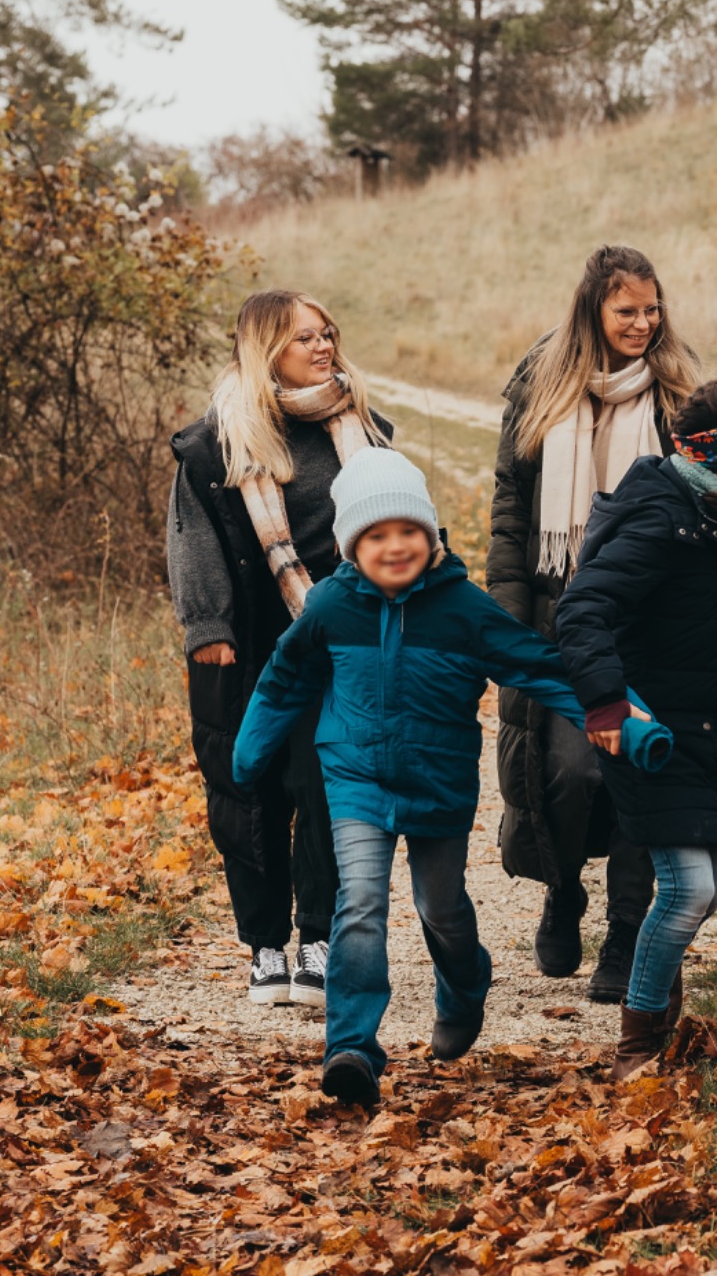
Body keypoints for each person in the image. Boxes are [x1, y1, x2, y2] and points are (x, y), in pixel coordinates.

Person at [231, 448, 595, 1107]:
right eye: (376, 535)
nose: (395, 546)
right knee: (360, 906)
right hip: (356, 778)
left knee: (442, 909)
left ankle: (464, 985)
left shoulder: (463, 608)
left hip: (438, 780)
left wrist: (615, 715)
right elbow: (286, 678)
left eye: (408, 530)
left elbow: (538, 666)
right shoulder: (330, 605)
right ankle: (351, 1046)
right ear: (351, 545)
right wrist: (251, 750)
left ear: (430, 534)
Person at [555, 380, 717, 1080]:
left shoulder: (705, 514)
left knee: (707, 889)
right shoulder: (664, 519)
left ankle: (661, 1016)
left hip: (701, 724)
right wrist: (605, 703)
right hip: (651, 728)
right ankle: (639, 1043)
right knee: (687, 890)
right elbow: (581, 609)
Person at [167, 290, 393, 1008]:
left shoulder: (362, 428)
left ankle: (319, 937)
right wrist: (208, 626)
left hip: (340, 637)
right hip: (251, 638)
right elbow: (191, 537)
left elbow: (401, 520)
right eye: (305, 338)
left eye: (327, 333)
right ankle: (264, 943)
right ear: (267, 351)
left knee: (326, 784)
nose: (324, 347)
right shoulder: (216, 444)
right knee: (248, 788)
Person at [487, 246, 701, 1004]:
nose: (643, 323)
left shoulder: (678, 393)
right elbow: (511, 511)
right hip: (559, 618)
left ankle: (626, 933)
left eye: (652, 309)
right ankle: (564, 889)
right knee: (568, 774)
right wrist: (506, 623)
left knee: (643, 774)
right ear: (593, 310)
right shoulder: (541, 384)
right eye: (626, 311)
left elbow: (709, 506)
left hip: (652, 619)